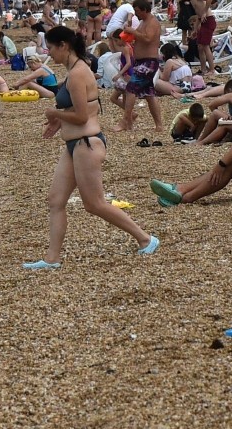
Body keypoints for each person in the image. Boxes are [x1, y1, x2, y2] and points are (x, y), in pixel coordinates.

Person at [24, 25, 158, 269]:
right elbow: (75, 110)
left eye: (51, 48)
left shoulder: (77, 74)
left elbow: (82, 117)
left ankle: (145, 238)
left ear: (63, 46)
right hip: (73, 145)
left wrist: (54, 112)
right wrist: (58, 118)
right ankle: (51, 259)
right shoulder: (73, 70)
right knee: (55, 200)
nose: (49, 54)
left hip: (87, 143)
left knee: (94, 204)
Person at [151, 69, 232, 206]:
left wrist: (222, 163)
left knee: (226, 167)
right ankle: (180, 189)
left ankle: (185, 198)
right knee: (224, 165)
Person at [116, 0, 165, 133]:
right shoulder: (143, 22)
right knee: (149, 94)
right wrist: (130, 35)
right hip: (142, 61)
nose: (135, 13)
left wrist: (133, 32)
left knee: (131, 88)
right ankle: (159, 125)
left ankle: (126, 121)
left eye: (137, 10)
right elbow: (140, 38)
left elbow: (148, 39)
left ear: (144, 10)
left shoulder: (152, 22)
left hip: (149, 61)